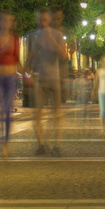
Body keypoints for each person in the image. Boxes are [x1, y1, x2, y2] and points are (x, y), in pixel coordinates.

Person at [26, 9, 69, 155]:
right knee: (37, 113)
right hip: (41, 79)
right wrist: (28, 76)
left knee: (57, 113)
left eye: (44, 20)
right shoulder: (36, 36)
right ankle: (41, 145)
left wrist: (51, 38)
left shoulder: (57, 34)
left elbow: (63, 55)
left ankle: (56, 145)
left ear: (49, 20)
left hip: (54, 78)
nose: (42, 23)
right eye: (39, 20)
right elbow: (29, 60)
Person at [0, 12, 21, 158]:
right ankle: (0, 143)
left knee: (7, 111)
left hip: (11, 76)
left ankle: (6, 143)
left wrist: (27, 74)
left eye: (10, 20)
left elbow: (17, 59)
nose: (7, 23)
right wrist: (4, 50)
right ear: (0, 22)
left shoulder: (15, 38)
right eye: (5, 20)